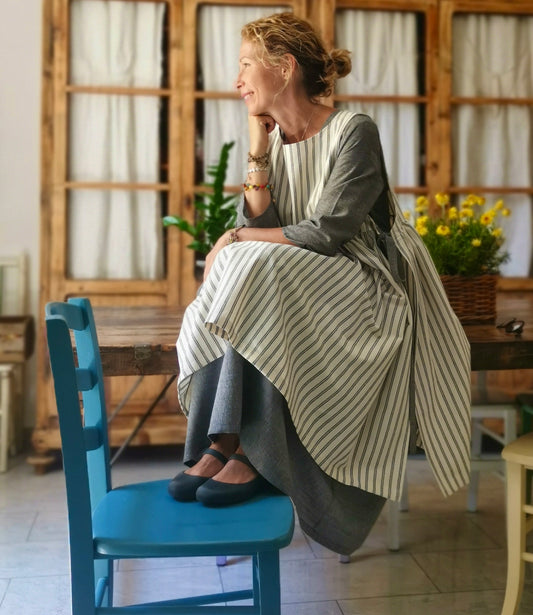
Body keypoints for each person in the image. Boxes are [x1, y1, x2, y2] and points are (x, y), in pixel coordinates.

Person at [168, 12, 472, 555]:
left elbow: (329, 231)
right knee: (251, 268)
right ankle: (228, 442)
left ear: (283, 68)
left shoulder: (354, 130)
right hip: (302, 276)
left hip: (366, 279)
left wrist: (236, 238)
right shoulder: (277, 139)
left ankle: (246, 451)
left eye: (244, 66)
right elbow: (265, 229)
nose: (236, 80)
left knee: (251, 263)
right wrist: (257, 148)